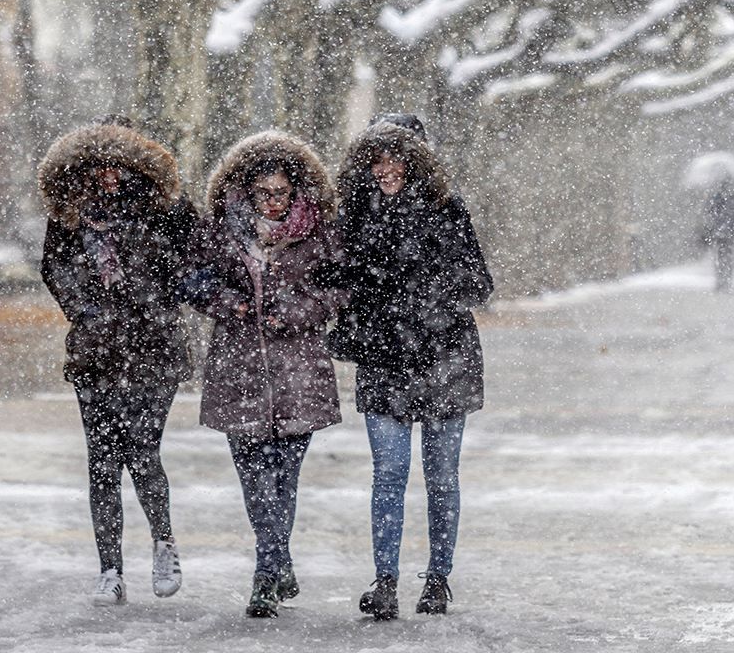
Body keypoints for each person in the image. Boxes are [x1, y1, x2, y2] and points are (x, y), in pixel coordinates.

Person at [328, 119, 493, 620]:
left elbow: (479, 283)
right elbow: (341, 280)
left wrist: (425, 300)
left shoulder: (447, 209)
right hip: (384, 361)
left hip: (444, 360)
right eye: (375, 159)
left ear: (417, 160)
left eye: (395, 158)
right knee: (389, 474)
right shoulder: (354, 214)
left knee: (442, 477)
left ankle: (438, 580)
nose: (385, 170)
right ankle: (384, 582)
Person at [38, 121, 196, 606]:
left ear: (137, 163)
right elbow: (53, 267)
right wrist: (88, 311)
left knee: (143, 450)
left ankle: (164, 543)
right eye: (99, 164)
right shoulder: (70, 214)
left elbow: (191, 263)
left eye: (119, 163)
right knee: (102, 463)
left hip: (155, 350)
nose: (109, 174)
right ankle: (110, 569)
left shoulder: (166, 210)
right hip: (95, 354)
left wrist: (153, 298)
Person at [184, 131, 342, 618]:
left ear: (296, 192)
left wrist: (296, 310)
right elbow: (193, 280)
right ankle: (273, 564)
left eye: (280, 193)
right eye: (263, 193)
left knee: (284, 478)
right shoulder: (220, 232)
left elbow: (340, 288)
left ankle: (267, 571)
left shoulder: (318, 233)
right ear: (246, 191)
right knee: (254, 479)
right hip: (239, 370)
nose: (272, 203)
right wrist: (233, 305)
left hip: (298, 372)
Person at [699, 175, 734, 292]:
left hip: (720, 232)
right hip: (731, 232)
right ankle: (727, 281)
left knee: (720, 256)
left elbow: (710, 212)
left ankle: (721, 281)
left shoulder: (716, 196)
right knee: (729, 257)